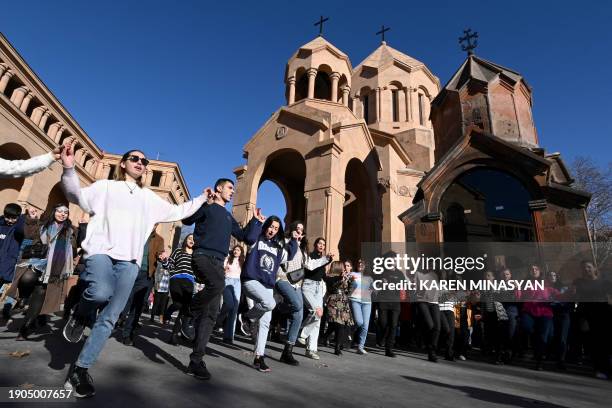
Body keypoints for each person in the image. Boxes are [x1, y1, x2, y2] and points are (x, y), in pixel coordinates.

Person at [59, 144, 207, 398]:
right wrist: (70, 167)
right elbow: (75, 195)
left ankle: (80, 369)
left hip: (129, 261)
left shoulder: (148, 198)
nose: (141, 162)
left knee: (109, 318)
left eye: (144, 161)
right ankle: (80, 314)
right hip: (101, 252)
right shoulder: (105, 187)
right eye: (135, 158)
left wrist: (202, 198)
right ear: (124, 163)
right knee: (99, 293)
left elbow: (176, 211)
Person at [181, 179, 264, 381]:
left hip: (218, 263)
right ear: (218, 188)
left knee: (211, 314)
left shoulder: (228, 216)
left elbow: (247, 237)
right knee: (217, 285)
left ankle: (196, 361)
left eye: (233, 189)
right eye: (229, 188)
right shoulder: (207, 208)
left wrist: (256, 222)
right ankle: (189, 312)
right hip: (202, 257)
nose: (232, 192)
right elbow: (186, 220)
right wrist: (202, 201)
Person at [242, 215, 298, 372]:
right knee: (270, 303)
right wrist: (257, 221)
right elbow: (249, 237)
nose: (272, 230)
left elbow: (290, 255)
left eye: (276, 228)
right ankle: (247, 317)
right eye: (271, 226)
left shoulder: (277, 248)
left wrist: (293, 240)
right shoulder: (257, 240)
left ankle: (259, 358)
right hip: (251, 281)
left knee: (265, 322)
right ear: (266, 226)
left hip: (267, 286)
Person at [16, 204, 76, 340]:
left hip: (55, 267)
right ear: (54, 212)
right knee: (26, 279)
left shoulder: (71, 230)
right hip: (38, 262)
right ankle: (24, 300)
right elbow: (28, 235)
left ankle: (25, 328)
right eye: (59, 211)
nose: (62, 214)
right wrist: (31, 219)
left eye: (65, 212)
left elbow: (77, 245)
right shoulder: (43, 225)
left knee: (40, 293)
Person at [277, 221, 330, 365]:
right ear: (292, 230)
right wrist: (293, 241)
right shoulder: (285, 242)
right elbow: (284, 259)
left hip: (296, 284)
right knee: (298, 305)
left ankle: (287, 352)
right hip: (282, 279)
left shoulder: (302, 250)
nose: (299, 231)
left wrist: (326, 259)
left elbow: (311, 265)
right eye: (297, 229)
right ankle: (280, 309)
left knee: (298, 315)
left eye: (302, 230)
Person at [118, 231, 166, 346]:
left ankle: (127, 334)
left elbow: (160, 254)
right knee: (125, 300)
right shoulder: (136, 231)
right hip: (130, 269)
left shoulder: (159, 239)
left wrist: (162, 257)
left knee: (138, 305)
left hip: (146, 274)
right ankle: (118, 319)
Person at [573, 260, 612, 379]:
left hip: (604, 314)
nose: (586, 269)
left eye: (589, 267)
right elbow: (575, 298)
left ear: (594, 268)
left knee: (607, 343)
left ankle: (607, 368)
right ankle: (598, 369)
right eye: (584, 268)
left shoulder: (605, 282)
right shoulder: (579, 282)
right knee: (594, 344)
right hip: (587, 315)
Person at [299, 237, 334, 360]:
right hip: (308, 286)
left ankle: (311, 349)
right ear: (315, 245)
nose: (321, 246)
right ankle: (302, 333)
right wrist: (326, 260)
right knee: (316, 312)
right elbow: (311, 267)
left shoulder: (323, 260)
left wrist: (339, 278)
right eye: (319, 243)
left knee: (318, 320)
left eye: (324, 244)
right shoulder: (310, 256)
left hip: (319, 288)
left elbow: (324, 277)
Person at [163, 234, 197, 345]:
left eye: (193, 239)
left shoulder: (197, 255)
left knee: (184, 310)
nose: (191, 240)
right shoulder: (178, 251)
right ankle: (168, 312)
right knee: (178, 304)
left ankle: (174, 336)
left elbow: (198, 271)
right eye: (189, 238)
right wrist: (164, 261)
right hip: (176, 279)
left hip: (190, 282)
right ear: (185, 240)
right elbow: (169, 265)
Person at [375, 252, 405, 358]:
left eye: (395, 259)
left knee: (393, 325)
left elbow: (403, 287)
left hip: (396, 303)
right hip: (383, 301)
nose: (393, 261)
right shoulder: (381, 272)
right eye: (391, 259)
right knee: (383, 323)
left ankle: (389, 349)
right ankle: (380, 338)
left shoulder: (400, 273)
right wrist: (380, 283)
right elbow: (375, 286)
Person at [322, 261, 354, 356]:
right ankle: (332, 343)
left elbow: (349, 290)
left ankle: (334, 344)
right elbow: (332, 287)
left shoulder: (345, 277)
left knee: (339, 325)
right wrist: (341, 279)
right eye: (343, 266)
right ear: (338, 267)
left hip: (343, 301)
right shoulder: (329, 277)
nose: (344, 268)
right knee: (336, 324)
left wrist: (350, 281)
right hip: (333, 301)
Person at [215, 245, 245, 344]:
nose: (236, 251)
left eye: (238, 250)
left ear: (241, 252)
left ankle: (228, 337)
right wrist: (224, 270)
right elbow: (221, 269)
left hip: (237, 283)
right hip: (227, 281)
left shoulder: (242, 262)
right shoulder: (228, 259)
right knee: (229, 303)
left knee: (234, 310)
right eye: (235, 250)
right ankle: (219, 320)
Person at [349, 259, 373, 355]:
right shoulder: (352, 274)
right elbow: (347, 285)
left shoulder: (370, 277)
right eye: (358, 262)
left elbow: (372, 288)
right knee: (359, 322)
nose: (360, 264)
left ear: (365, 265)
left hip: (367, 302)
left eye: (362, 263)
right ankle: (349, 331)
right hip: (355, 300)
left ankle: (360, 346)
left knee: (365, 326)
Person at [0, 203, 25, 298]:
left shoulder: (17, 228)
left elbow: (21, 230)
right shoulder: (1, 225)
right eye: (8, 217)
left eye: (14, 218)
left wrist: (22, 217)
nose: (10, 221)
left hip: (7, 263)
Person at [150, 256, 171, 324]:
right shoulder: (159, 264)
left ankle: (161, 317)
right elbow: (156, 274)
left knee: (163, 304)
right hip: (159, 286)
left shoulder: (170, 266)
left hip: (166, 287)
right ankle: (152, 317)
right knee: (156, 303)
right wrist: (154, 285)